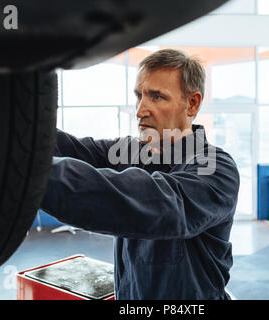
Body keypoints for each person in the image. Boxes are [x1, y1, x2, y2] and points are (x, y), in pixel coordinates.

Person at [40, 49, 240, 300]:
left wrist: (33, 176)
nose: (140, 110)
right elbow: (68, 148)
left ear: (192, 103)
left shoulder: (216, 169)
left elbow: (153, 204)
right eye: (139, 96)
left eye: (156, 97)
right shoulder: (131, 152)